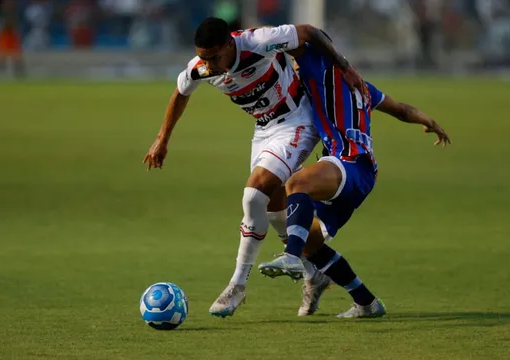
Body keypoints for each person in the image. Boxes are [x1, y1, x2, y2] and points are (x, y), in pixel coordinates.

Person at [143, 17, 367, 318]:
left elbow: (310, 33)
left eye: (213, 57)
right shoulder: (200, 67)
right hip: (264, 131)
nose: (207, 65)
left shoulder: (259, 42)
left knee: (253, 195)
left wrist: (344, 66)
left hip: (297, 121)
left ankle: (237, 285)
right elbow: (180, 93)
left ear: (228, 45)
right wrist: (161, 140)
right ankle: (313, 269)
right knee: (273, 209)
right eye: (203, 57)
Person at [258, 35, 451, 318]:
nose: (296, 67)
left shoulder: (317, 65)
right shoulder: (362, 87)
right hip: (360, 172)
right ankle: (366, 302)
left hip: (346, 163)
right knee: (311, 244)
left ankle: (291, 258)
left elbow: (298, 36)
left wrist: (253, 39)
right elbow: (400, 109)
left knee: (296, 183)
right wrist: (430, 122)